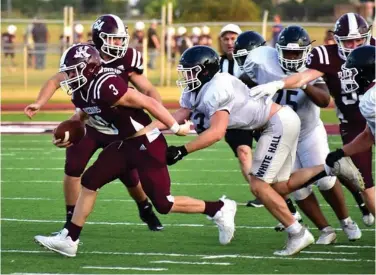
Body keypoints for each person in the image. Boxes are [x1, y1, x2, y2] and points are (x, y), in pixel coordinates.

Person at [34, 44, 237, 257]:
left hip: (147, 144)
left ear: (89, 68)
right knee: (90, 181)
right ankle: (70, 238)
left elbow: (148, 102)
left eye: (73, 70)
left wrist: (175, 127)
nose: (68, 76)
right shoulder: (81, 91)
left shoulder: (106, 84)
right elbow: (83, 116)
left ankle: (219, 208)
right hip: (125, 144)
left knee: (164, 204)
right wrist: (69, 133)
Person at [163, 45, 364, 255]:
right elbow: (178, 115)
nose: (185, 75)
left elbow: (216, 133)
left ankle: (297, 232)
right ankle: (331, 166)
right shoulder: (198, 90)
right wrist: (148, 130)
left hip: (277, 123)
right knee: (280, 187)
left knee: (258, 185)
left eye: (190, 70)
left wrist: (182, 151)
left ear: (205, 70)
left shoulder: (216, 88)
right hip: (278, 121)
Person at [24, 14, 166, 232]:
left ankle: (144, 207)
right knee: (73, 168)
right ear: (100, 39)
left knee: (129, 176)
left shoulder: (127, 57)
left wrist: (159, 113)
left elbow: (146, 89)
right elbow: (56, 79)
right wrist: (40, 102)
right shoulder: (84, 54)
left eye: (120, 38)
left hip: (119, 126)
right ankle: (69, 222)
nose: (119, 43)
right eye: (113, 38)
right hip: (90, 122)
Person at [248, 12, 375, 226]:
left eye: (358, 40)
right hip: (355, 124)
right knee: (365, 184)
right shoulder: (324, 56)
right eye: (347, 41)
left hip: (365, 112)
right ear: (336, 39)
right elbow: (305, 77)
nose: (353, 46)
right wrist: (279, 84)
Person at [326, 45, 376, 217]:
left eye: (353, 71)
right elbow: (369, 135)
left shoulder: (370, 100)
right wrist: (342, 152)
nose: (350, 77)